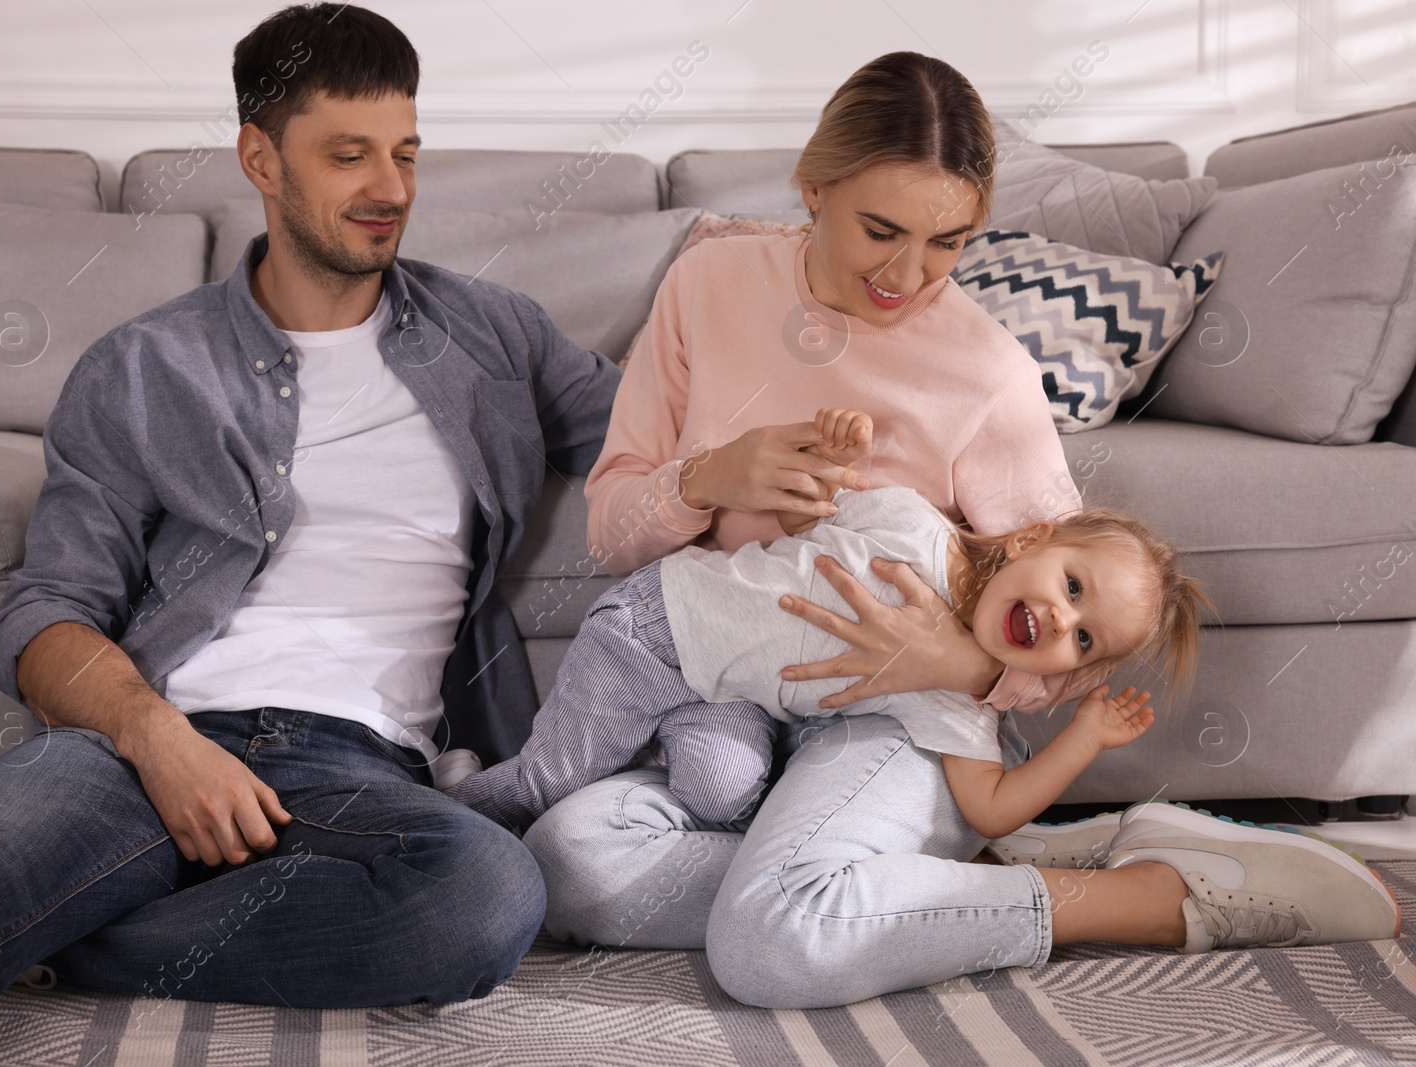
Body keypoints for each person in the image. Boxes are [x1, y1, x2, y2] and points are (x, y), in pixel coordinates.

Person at [0, 5, 620, 1063]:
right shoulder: (144, 365)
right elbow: (46, 611)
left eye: (404, 152)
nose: (389, 188)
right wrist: (160, 743)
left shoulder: (494, 333)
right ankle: (5, 911)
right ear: (261, 158)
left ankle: (75, 934)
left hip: (361, 768)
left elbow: (658, 437)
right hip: (147, 739)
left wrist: (769, 298)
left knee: (483, 898)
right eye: (348, 154)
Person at [522, 51, 1403, 1003]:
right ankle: (862, 882)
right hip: (731, 694)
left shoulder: (987, 371)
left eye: (949, 241)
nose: (910, 274)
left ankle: (1124, 898)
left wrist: (958, 665)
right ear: (813, 188)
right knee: (566, 863)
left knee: (767, 946)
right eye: (880, 229)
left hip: (913, 725)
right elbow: (612, 536)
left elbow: (1087, 634)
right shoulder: (707, 285)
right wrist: (708, 477)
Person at [447, 408, 1201, 838]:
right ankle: (446, 800)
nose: (1061, 616)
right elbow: (795, 526)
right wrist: (833, 460)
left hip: (728, 696)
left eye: (1085, 636)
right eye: (1072, 585)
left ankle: (617, 787)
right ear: (1031, 539)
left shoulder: (957, 701)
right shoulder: (913, 528)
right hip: (655, 629)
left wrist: (1083, 740)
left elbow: (992, 809)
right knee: (547, 781)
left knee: (727, 795)